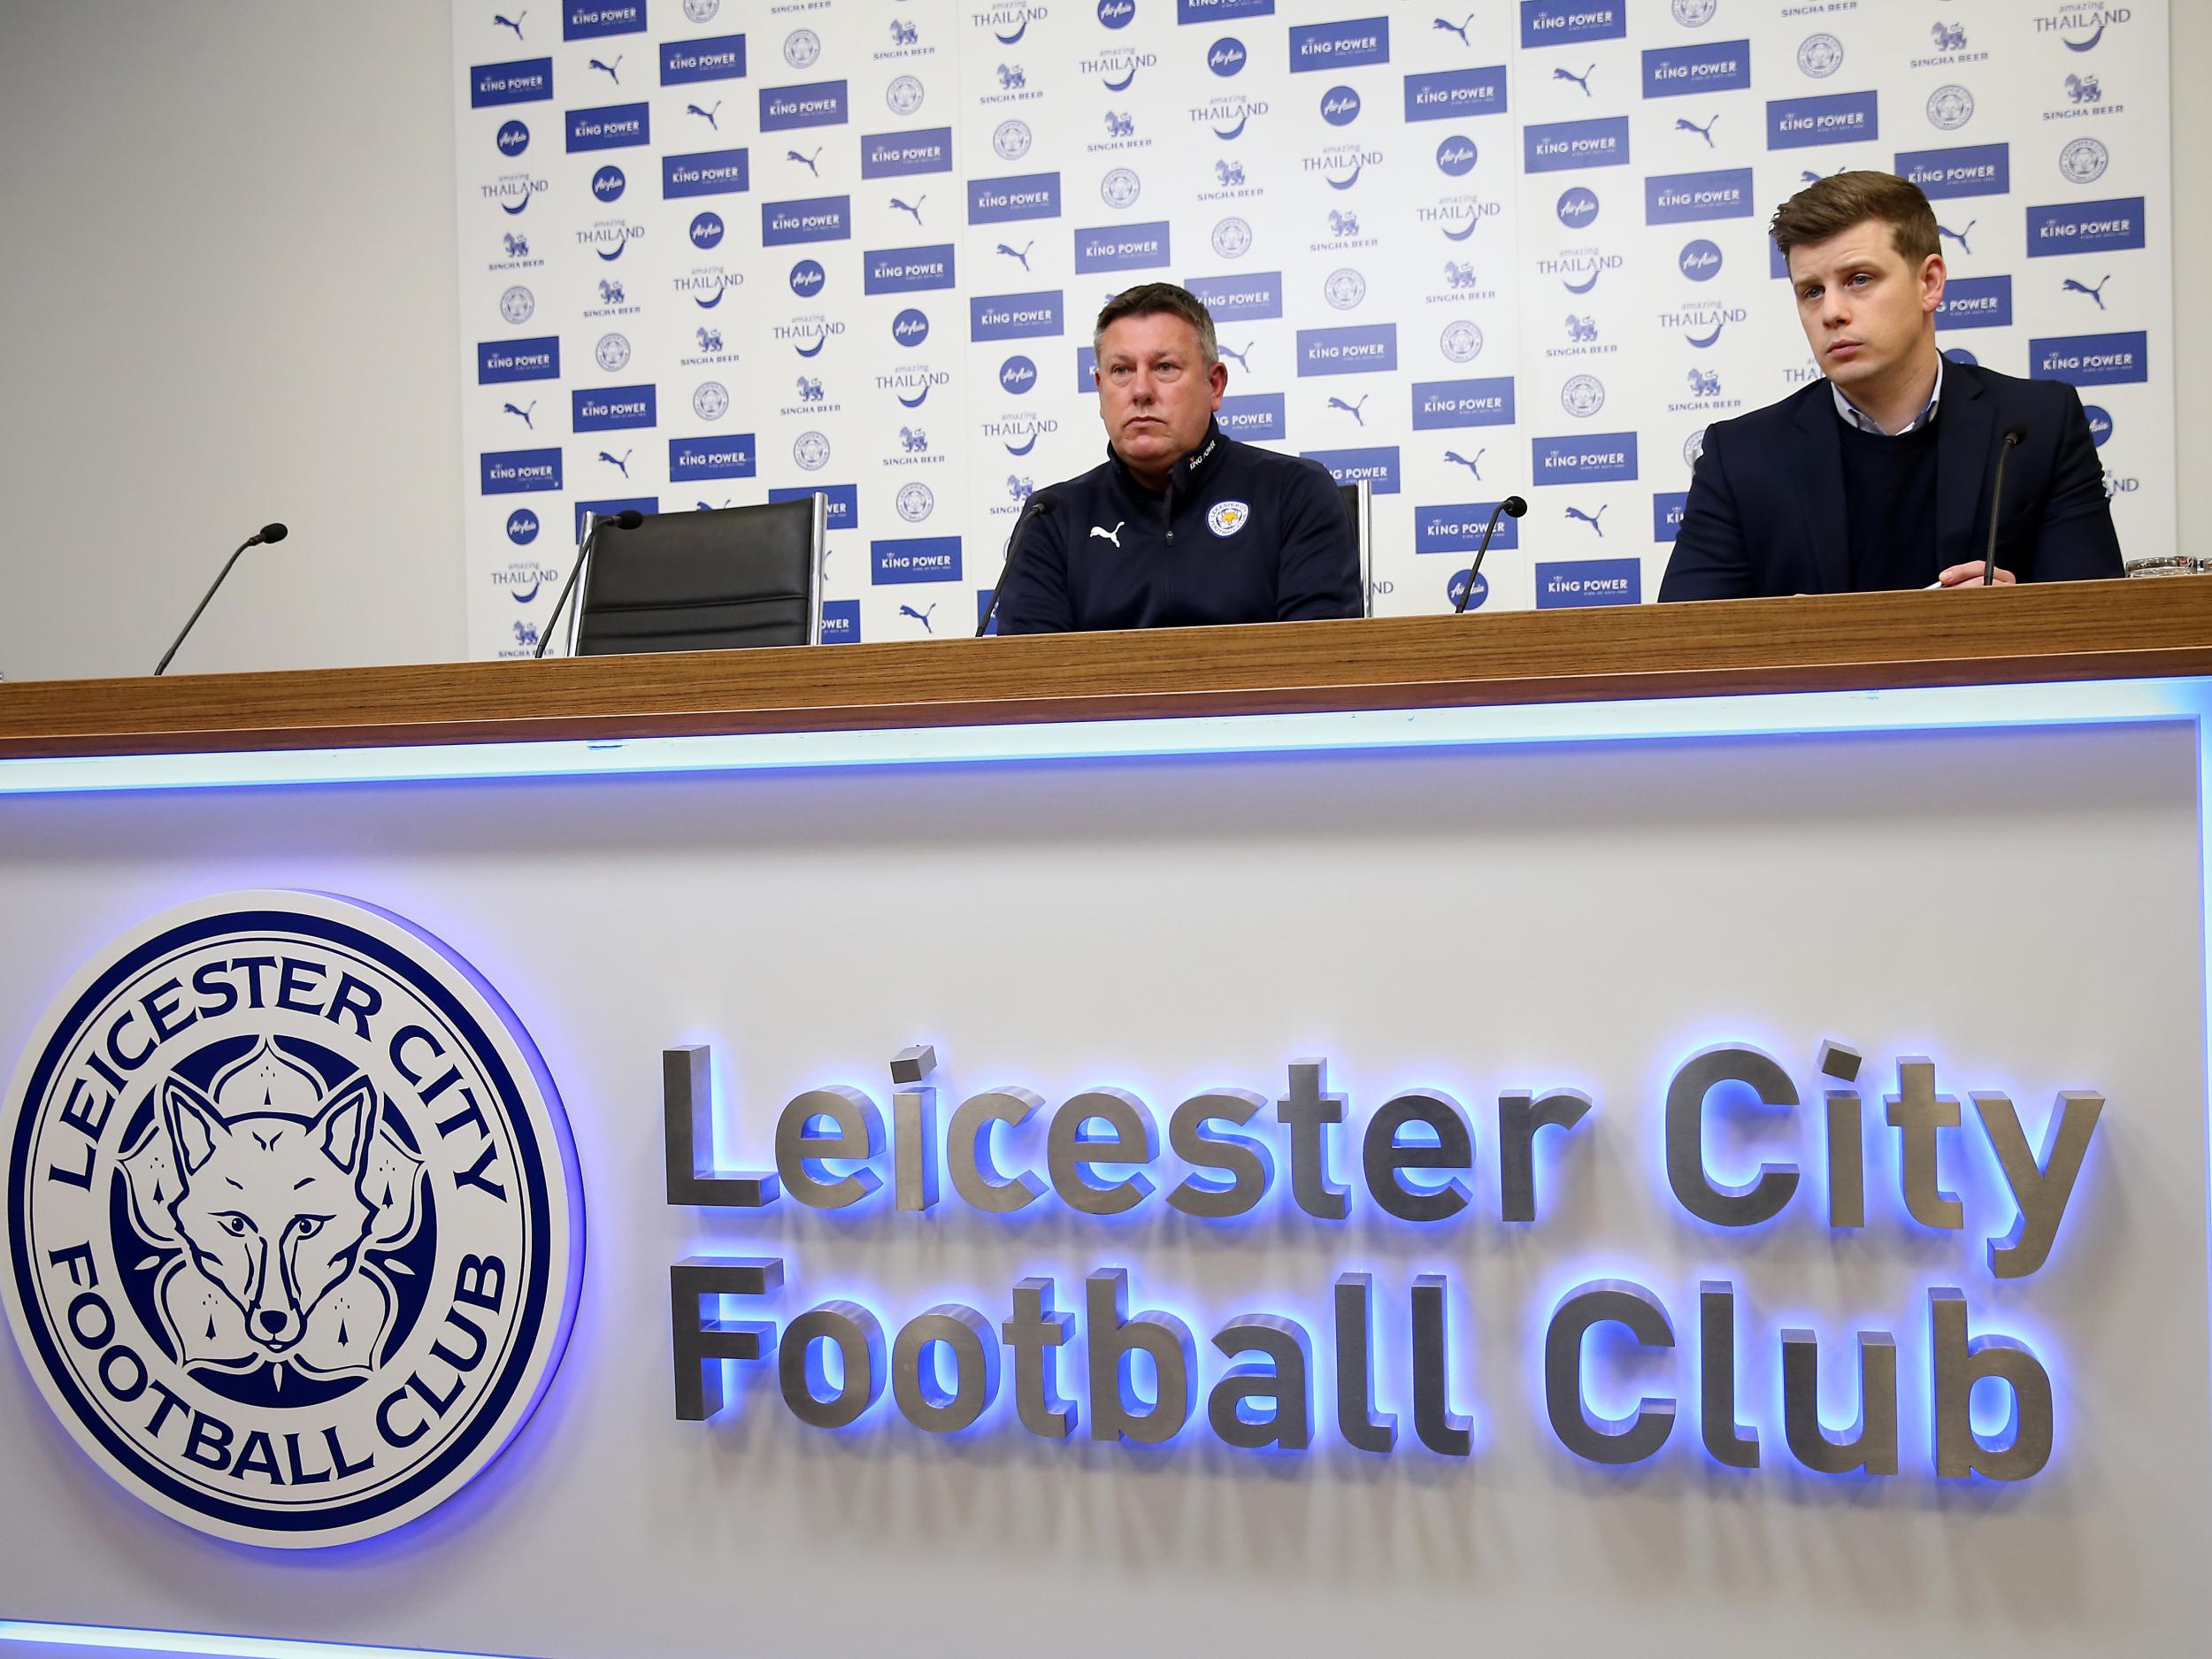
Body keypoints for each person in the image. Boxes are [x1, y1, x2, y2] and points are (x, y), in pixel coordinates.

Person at [1658, 171, 2122, 602]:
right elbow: (1685, 649)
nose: (1831, 312)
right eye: (1812, 291)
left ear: (1930, 282)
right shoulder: (1740, 455)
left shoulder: (2037, 425)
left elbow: (2101, 625)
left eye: (1859, 280)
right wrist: (1793, 632)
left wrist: (2013, 615)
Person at [992, 283, 1363, 633]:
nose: (1140, 390)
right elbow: (1033, 686)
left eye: (1164, 367)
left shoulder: (1294, 493)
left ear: (1214, 385)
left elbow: (1320, 671)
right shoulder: (1051, 519)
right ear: (1100, 390)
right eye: (1121, 370)